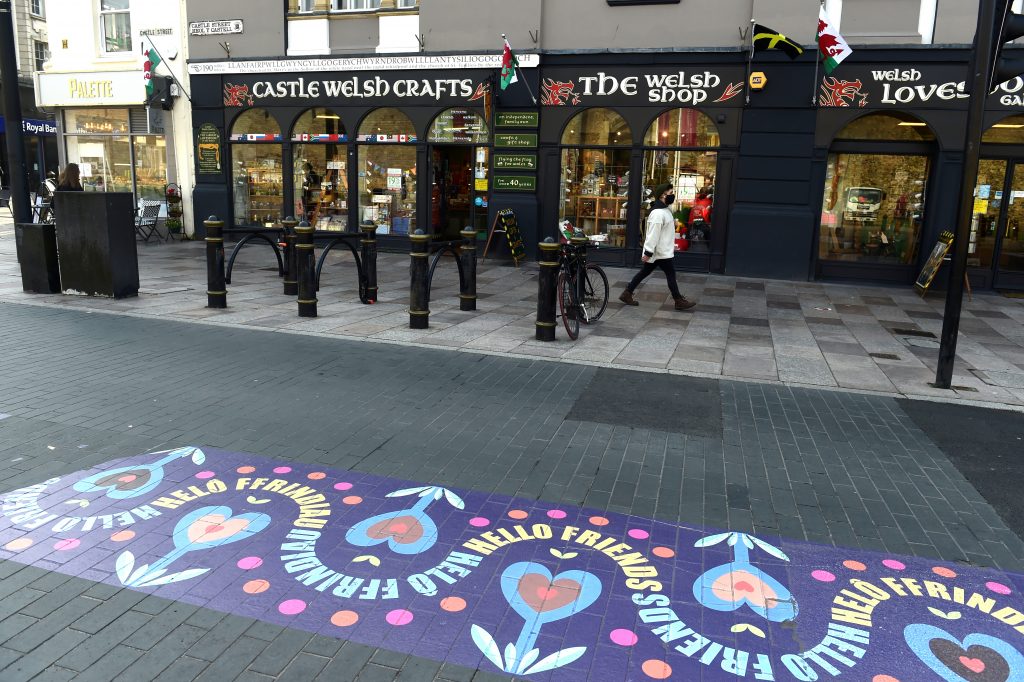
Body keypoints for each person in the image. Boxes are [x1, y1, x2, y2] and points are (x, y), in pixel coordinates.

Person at [619, 182, 696, 311]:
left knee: (645, 272)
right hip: (659, 252)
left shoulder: (665, 210)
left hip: (660, 250)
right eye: (670, 193)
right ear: (662, 196)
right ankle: (678, 300)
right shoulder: (658, 213)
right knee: (670, 273)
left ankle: (627, 293)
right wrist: (648, 252)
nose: (672, 195)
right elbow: (652, 234)